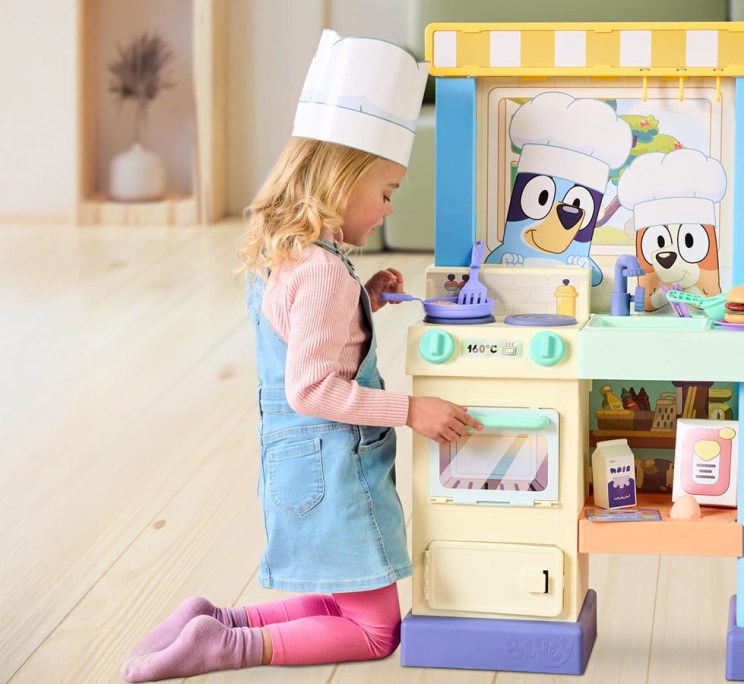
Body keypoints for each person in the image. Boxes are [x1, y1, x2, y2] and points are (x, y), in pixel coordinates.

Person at [121, 30, 481, 682]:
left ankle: (219, 621)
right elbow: (313, 389)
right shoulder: (321, 272)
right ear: (344, 178)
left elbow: (311, 333)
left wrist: (365, 295)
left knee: (345, 592)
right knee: (374, 631)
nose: (387, 211)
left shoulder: (298, 257)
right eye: (388, 191)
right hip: (331, 469)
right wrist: (411, 409)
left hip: (305, 466)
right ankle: (227, 647)